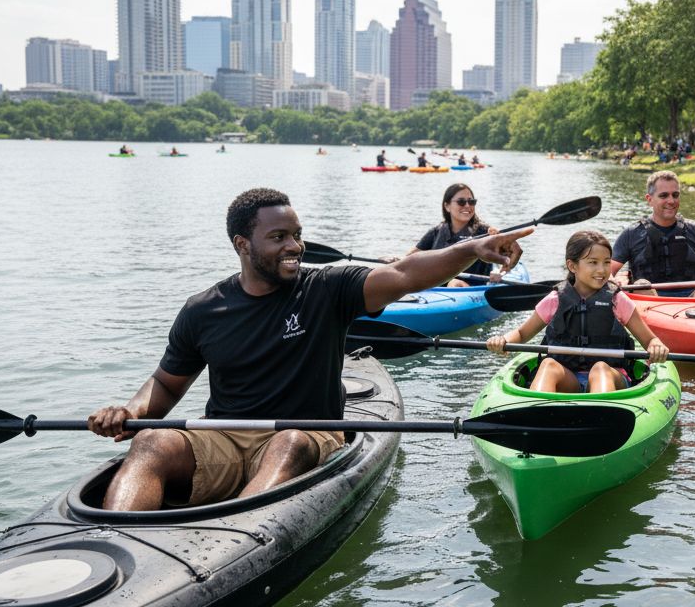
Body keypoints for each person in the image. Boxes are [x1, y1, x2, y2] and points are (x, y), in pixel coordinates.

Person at [87, 187, 528, 511]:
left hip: (308, 433)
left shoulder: (328, 287)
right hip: (224, 436)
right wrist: (130, 411)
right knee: (152, 442)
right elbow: (166, 384)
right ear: (242, 245)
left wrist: (472, 248)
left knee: (289, 442)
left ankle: (234, 534)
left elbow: (405, 274)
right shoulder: (202, 310)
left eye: (297, 235)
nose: (295, 246)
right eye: (279, 237)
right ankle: (114, 538)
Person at [487, 230, 668, 394]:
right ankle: (536, 409)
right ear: (572, 266)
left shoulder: (617, 300)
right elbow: (521, 334)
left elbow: (650, 340)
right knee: (548, 365)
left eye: (606, 262)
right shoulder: (555, 299)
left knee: (599, 369)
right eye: (593, 262)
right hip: (568, 379)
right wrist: (503, 340)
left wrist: (656, 346)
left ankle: (600, 414)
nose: (602, 270)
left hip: (611, 376)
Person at [611, 170, 695, 298]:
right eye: (664, 196)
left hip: (691, 300)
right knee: (641, 285)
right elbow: (609, 270)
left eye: (675, 195)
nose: (671, 201)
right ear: (649, 199)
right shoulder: (631, 233)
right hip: (649, 301)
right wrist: (616, 279)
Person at [405, 183, 519, 287]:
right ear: (447, 206)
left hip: (472, 289)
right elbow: (409, 258)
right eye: (461, 202)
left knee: (454, 283)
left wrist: (500, 272)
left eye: (471, 202)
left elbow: (510, 258)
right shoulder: (436, 231)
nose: (467, 205)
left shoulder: (487, 232)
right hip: (438, 288)